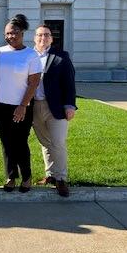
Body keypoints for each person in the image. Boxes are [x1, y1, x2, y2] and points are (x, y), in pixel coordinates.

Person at [0, 14, 41, 193]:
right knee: (6, 143)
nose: (11, 36)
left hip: (22, 106)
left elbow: (34, 82)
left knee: (20, 143)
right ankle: (11, 176)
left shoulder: (31, 55)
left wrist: (22, 106)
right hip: (0, 105)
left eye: (14, 32)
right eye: (7, 33)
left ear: (22, 33)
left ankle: (27, 177)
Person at [32, 24, 77, 197]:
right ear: (34, 38)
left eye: (46, 35)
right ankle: (50, 175)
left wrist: (70, 106)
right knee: (45, 142)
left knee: (57, 143)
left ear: (51, 38)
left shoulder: (61, 56)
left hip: (56, 107)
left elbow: (69, 82)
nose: (43, 38)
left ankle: (61, 179)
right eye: (39, 35)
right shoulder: (29, 56)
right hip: (34, 106)